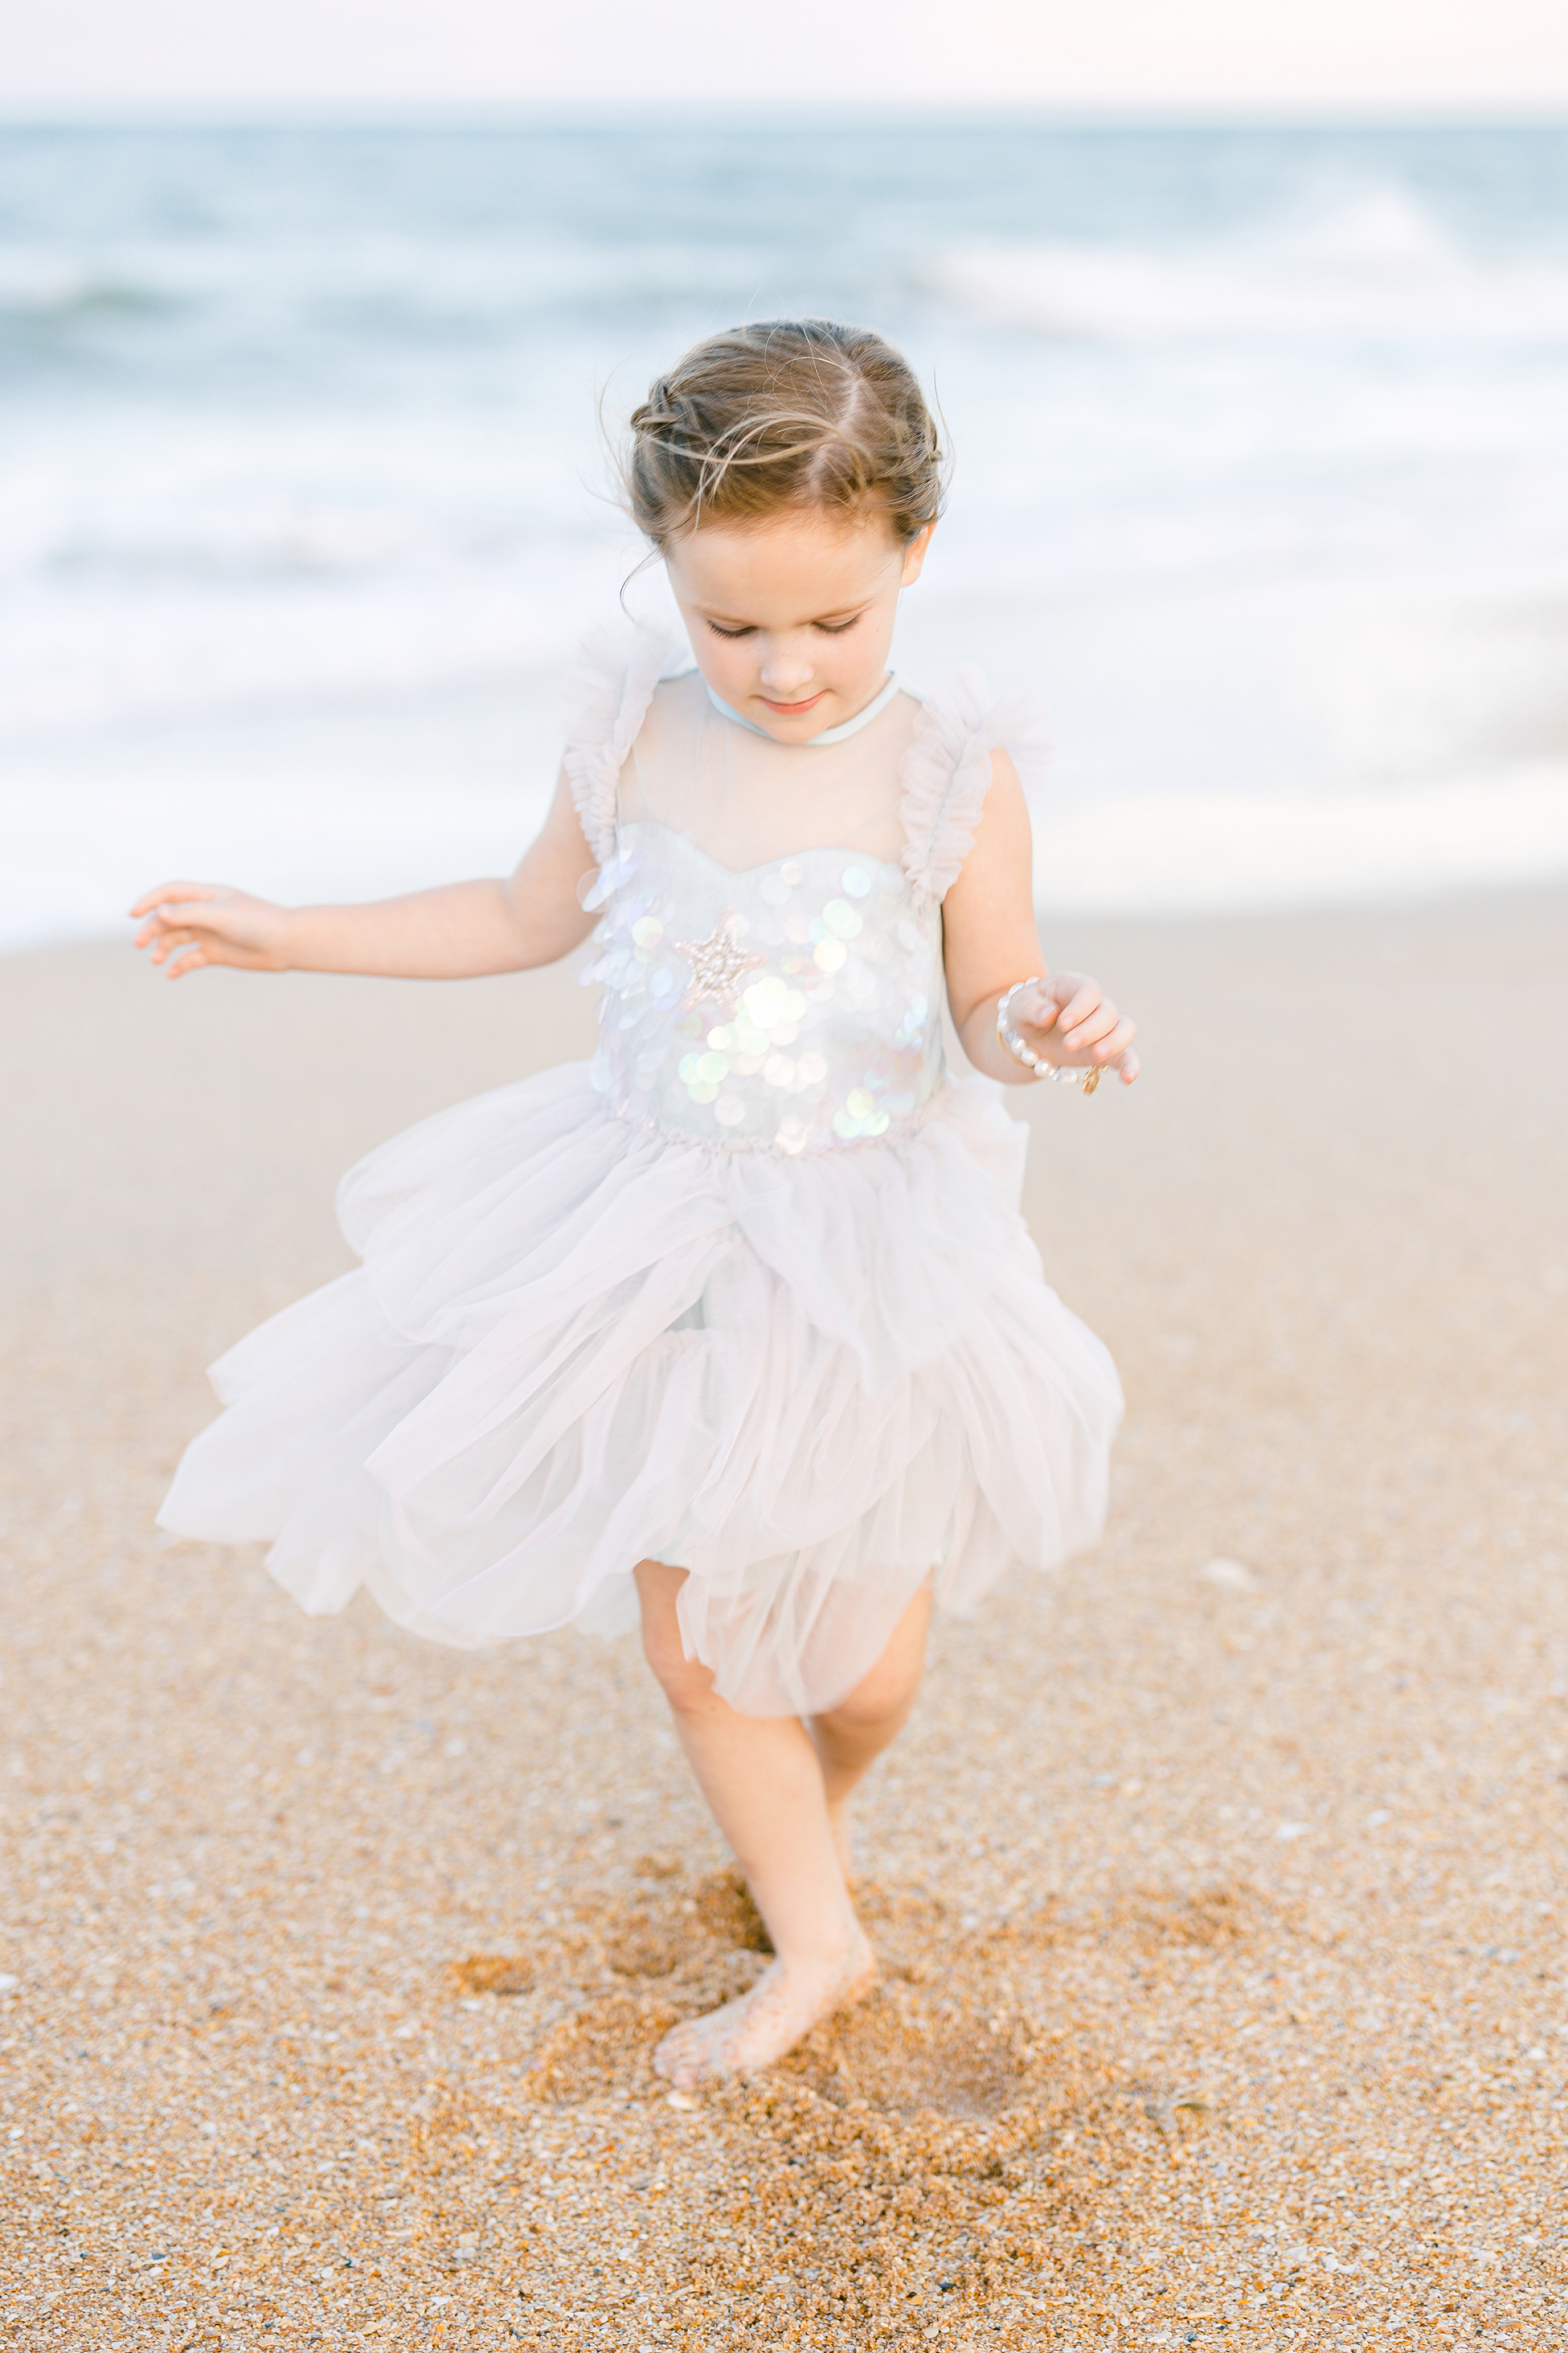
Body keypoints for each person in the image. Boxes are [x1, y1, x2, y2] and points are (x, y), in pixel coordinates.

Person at [131, 319, 1137, 2088]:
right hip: (654, 1220)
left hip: (867, 1245)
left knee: (863, 1673)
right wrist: (292, 927)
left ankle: (790, 1833)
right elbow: (525, 916)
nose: (783, 667)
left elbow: (992, 996)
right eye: (728, 622)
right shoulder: (632, 733)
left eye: (832, 621)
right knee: (700, 1642)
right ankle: (817, 1938)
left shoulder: (948, 775)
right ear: (662, 568)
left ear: (913, 551)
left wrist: (1042, 1024)